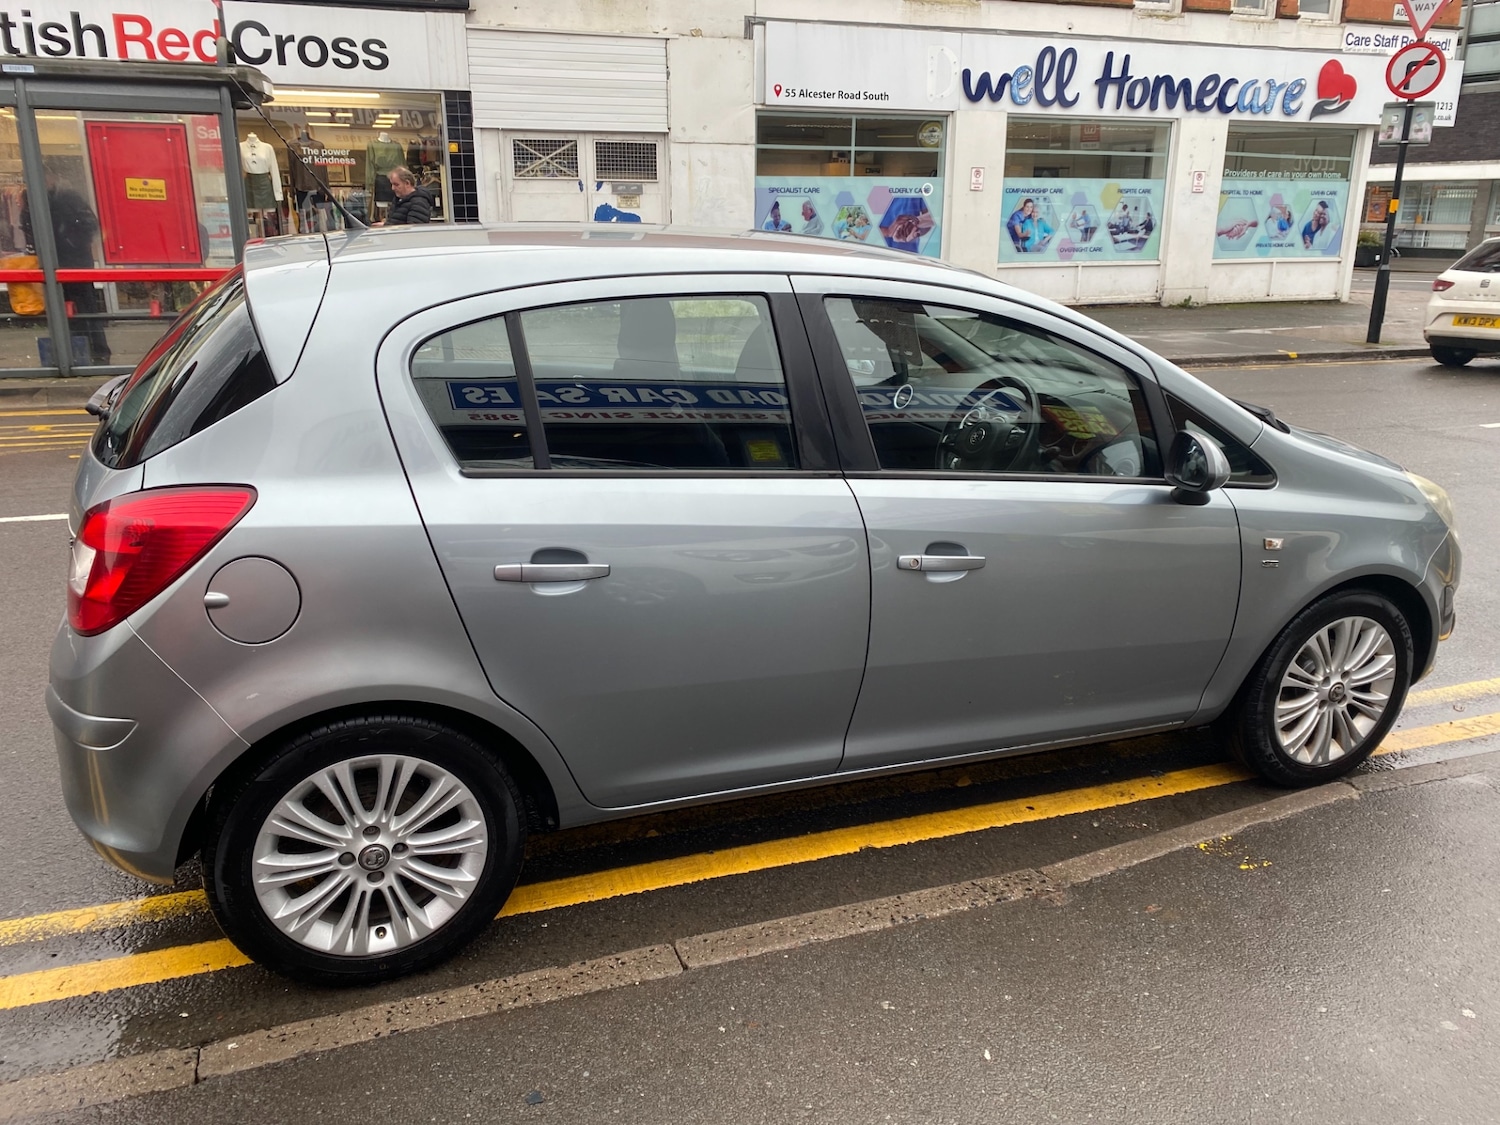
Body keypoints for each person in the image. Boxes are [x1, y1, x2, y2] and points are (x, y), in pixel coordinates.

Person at [20, 167, 110, 364]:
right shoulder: (30, 200)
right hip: (52, 263)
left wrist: (70, 242)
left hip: (74, 263)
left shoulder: (67, 197)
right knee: (60, 309)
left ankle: (98, 351)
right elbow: (28, 228)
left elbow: (90, 224)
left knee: (85, 307)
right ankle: (75, 353)